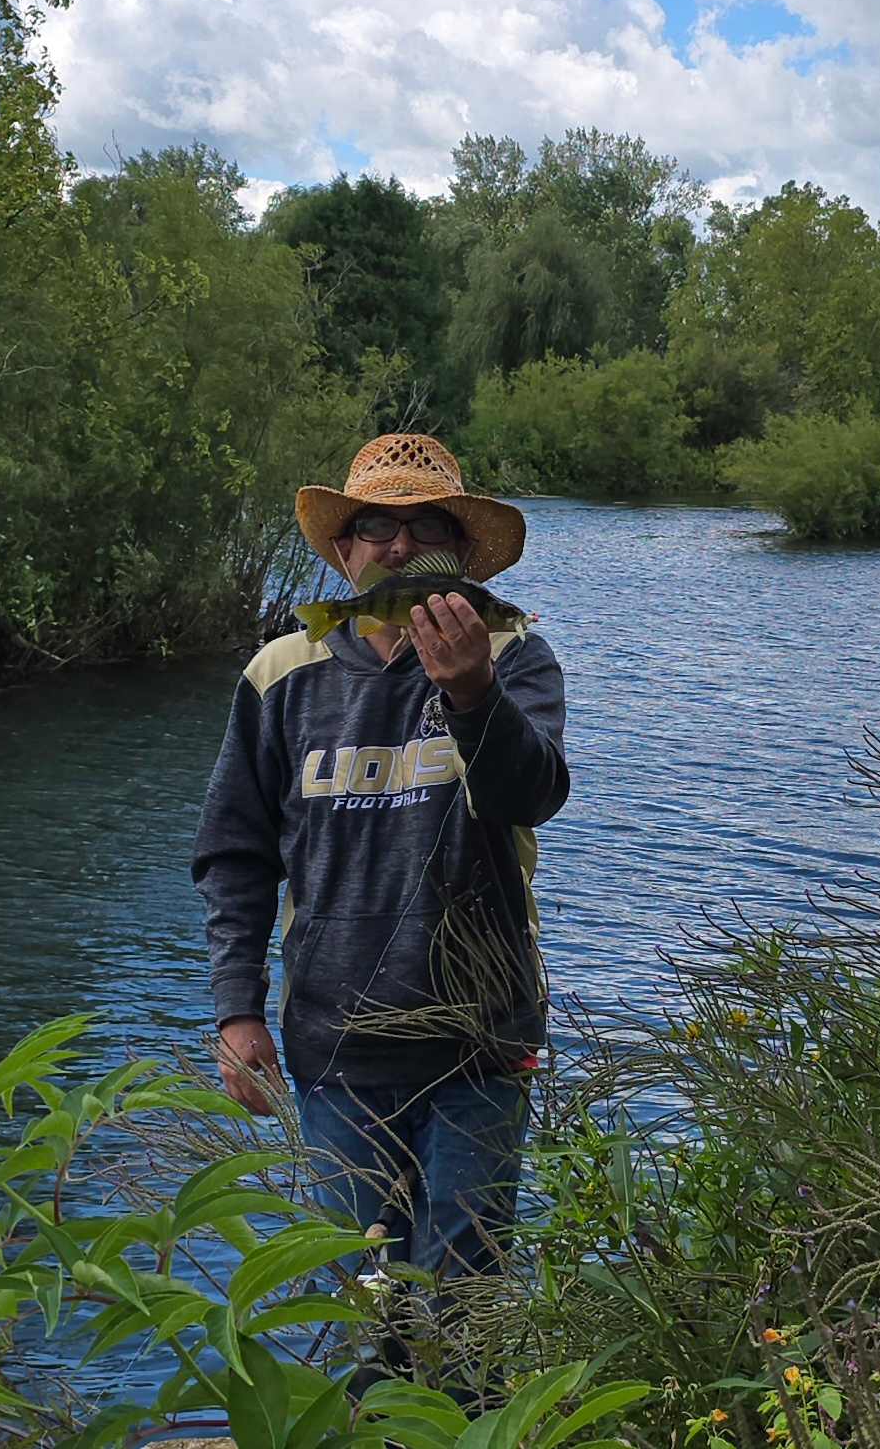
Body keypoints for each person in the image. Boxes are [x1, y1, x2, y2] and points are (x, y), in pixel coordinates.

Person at [191, 432, 570, 1291]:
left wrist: (471, 691)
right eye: (374, 526)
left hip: (481, 1040)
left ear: (461, 555)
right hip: (336, 1044)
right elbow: (235, 855)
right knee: (359, 1303)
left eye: (423, 527)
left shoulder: (514, 658)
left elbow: (532, 795)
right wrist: (234, 1010)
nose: (397, 547)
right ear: (344, 549)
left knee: (465, 1302)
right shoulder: (279, 674)